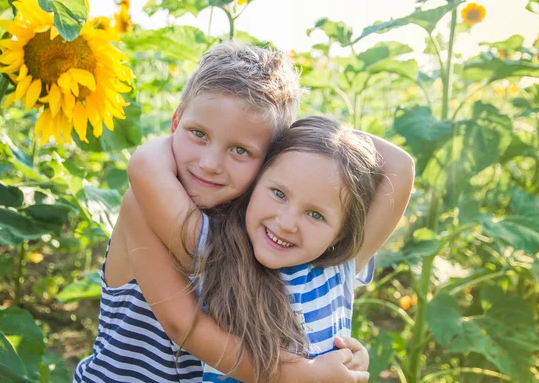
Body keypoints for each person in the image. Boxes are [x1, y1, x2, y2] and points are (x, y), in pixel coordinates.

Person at [74, 42, 370, 382]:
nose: (210, 164)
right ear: (175, 122)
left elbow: (397, 166)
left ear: (269, 161)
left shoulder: (262, 223)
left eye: (241, 150)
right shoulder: (142, 204)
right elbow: (180, 323)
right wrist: (300, 374)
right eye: (198, 133)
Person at [125, 116, 415, 382]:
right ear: (253, 184)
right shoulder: (218, 250)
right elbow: (144, 166)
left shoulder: (339, 269)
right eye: (278, 194)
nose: (287, 223)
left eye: (315, 215)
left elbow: (400, 166)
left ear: (340, 233)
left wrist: (317, 136)